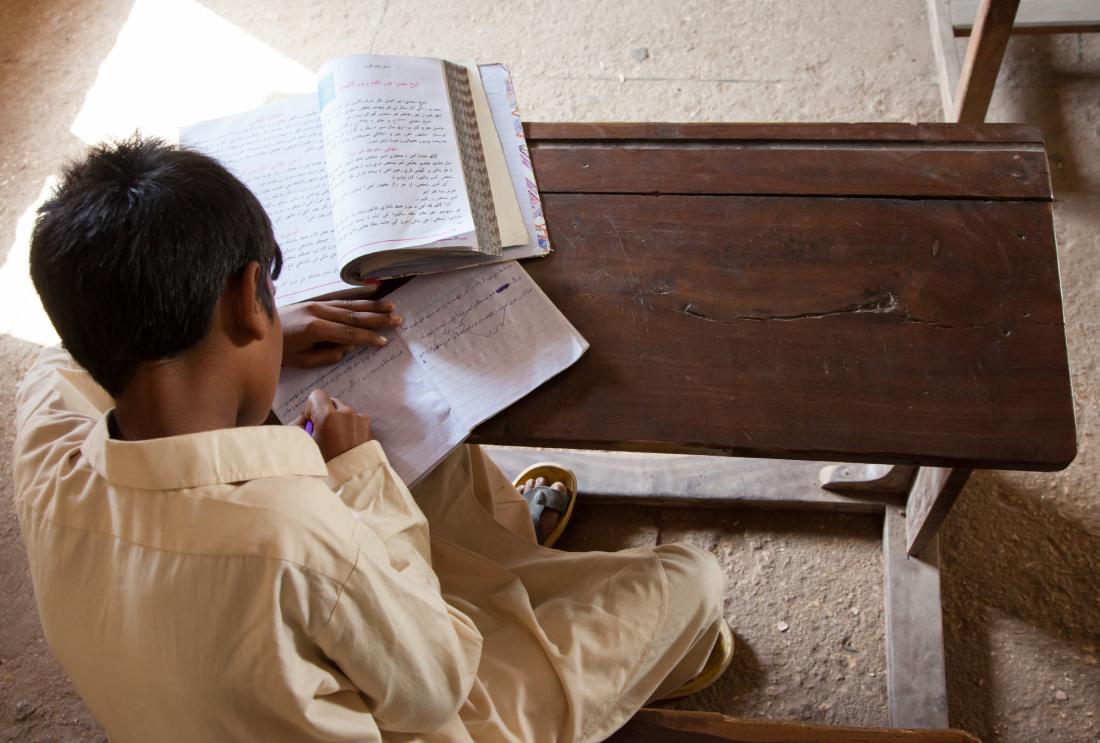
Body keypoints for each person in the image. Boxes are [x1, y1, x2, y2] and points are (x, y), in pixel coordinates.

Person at [13, 136, 732, 742]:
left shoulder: (45, 444)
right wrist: (356, 475)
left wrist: (257, 330)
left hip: (210, 693)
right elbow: (436, 683)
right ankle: (676, 656)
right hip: (426, 713)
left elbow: (59, 360)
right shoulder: (293, 537)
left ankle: (495, 556)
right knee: (689, 581)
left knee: (435, 461)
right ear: (246, 297)